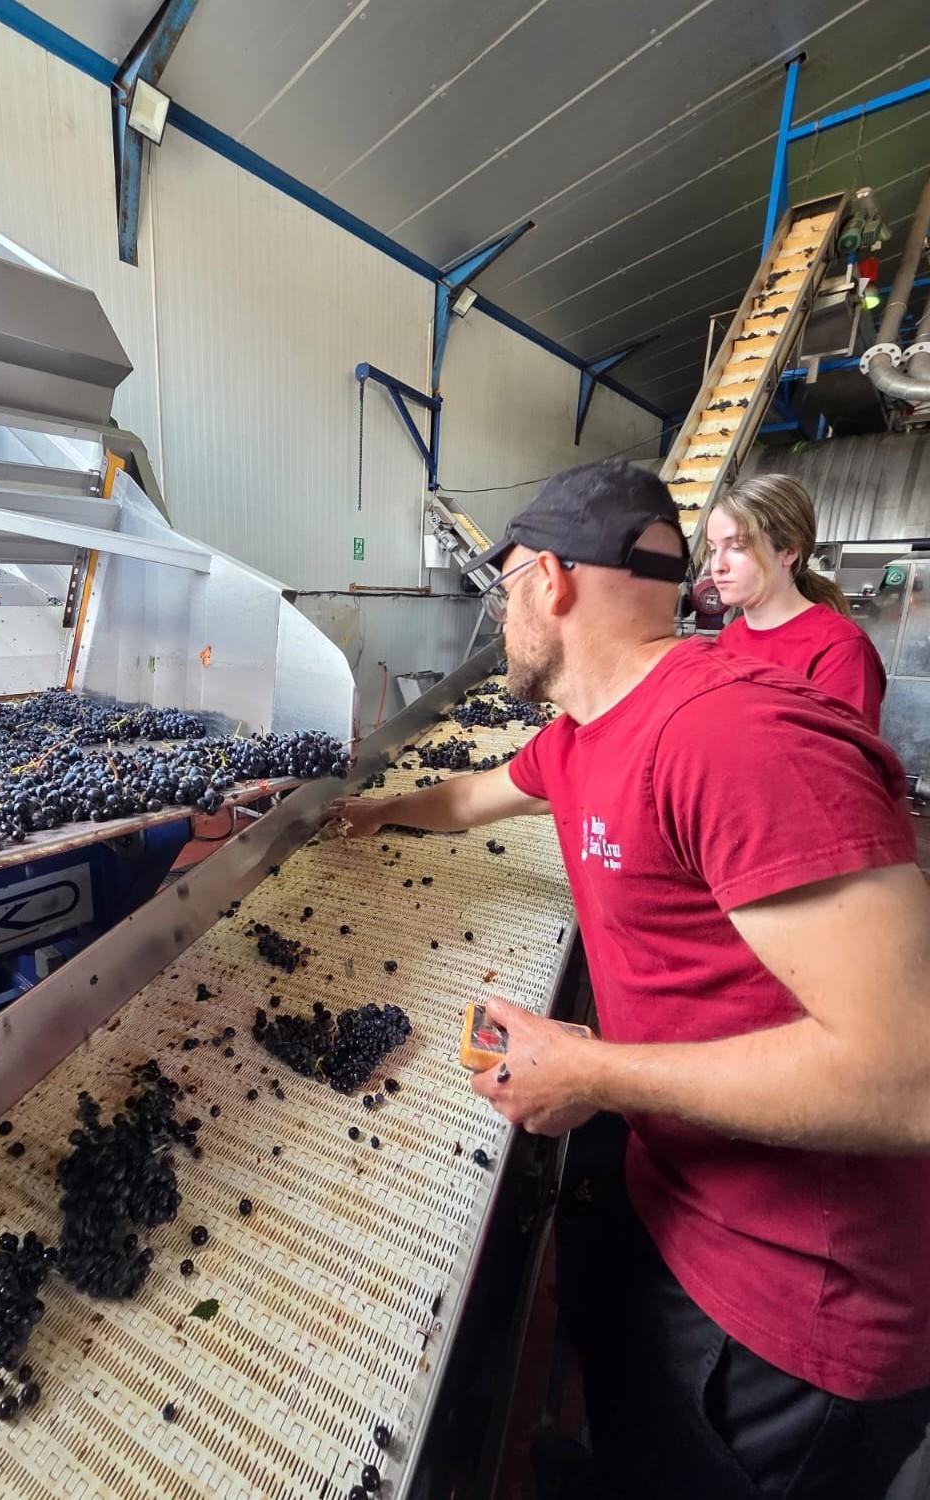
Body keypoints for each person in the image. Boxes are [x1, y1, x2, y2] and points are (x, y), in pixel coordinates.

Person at [330, 460, 930, 1500]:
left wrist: (596, 1073)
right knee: (627, 1422)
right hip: (680, 1208)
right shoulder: (586, 734)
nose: (502, 613)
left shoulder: (730, 737)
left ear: (552, 579)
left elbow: (909, 1077)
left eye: (505, 585)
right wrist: (365, 811)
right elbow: (472, 797)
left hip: (792, 1307)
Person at [701, 473, 887, 731]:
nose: (717, 566)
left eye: (738, 547)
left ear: (789, 550)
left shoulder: (839, 648)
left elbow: (842, 754)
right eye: (713, 549)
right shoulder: (727, 640)